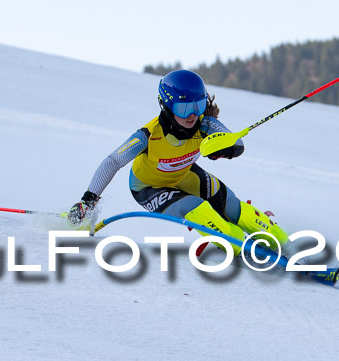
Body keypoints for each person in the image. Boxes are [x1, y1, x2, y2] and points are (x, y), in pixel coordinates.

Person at [68, 69, 289, 255]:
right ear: (166, 105)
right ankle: (246, 249)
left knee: (235, 208)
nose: (192, 115)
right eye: (184, 108)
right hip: (149, 188)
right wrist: (88, 200)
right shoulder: (148, 135)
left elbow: (237, 145)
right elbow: (112, 162)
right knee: (198, 210)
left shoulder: (205, 124)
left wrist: (222, 148)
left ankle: (287, 245)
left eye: (198, 106)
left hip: (184, 175)